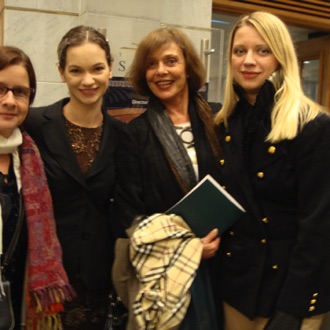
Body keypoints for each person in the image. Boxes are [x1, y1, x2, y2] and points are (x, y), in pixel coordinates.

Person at [214, 11, 330, 330]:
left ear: (280, 57)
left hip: (289, 291)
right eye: (240, 51)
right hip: (237, 288)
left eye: (262, 50)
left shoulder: (312, 126)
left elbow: (318, 229)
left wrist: (292, 310)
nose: (248, 61)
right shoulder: (225, 124)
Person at [114, 27, 222, 329]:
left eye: (170, 61)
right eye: (151, 64)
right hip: (167, 273)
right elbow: (128, 215)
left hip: (226, 265)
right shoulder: (134, 134)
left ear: (188, 67)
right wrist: (188, 249)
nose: (161, 71)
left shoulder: (218, 120)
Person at [24, 26, 124, 329]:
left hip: (100, 280)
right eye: (76, 70)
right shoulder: (34, 123)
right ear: (61, 72)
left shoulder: (125, 135)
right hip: (45, 280)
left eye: (97, 69)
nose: (88, 80)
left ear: (110, 68)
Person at [0, 46, 73, 329]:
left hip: (19, 301)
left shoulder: (31, 157)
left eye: (19, 92)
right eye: (1, 89)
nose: (9, 100)